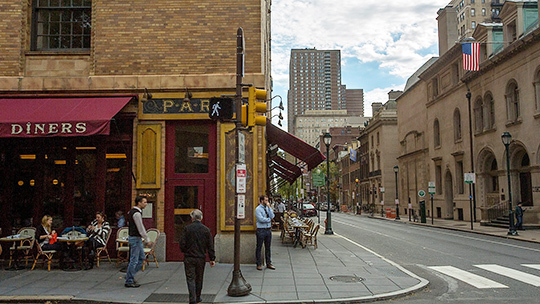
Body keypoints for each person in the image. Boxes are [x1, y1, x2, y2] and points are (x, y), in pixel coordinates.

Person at [179, 209, 216, 304]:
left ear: (192, 218)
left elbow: (182, 244)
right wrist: (212, 258)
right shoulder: (206, 230)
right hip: (200, 257)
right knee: (199, 278)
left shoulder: (187, 228)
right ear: (201, 218)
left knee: (190, 278)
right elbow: (210, 246)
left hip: (189, 257)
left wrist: (185, 250)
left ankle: (192, 298)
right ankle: (198, 296)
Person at [125, 196, 153, 288]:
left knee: (141, 258)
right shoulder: (136, 214)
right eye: (144, 202)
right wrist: (147, 239)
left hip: (136, 238)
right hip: (135, 238)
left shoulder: (132, 212)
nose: (146, 204)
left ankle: (130, 275)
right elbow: (140, 228)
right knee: (134, 259)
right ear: (139, 203)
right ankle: (129, 279)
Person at [255, 194, 275, 270]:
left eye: (267, 200)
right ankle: (258, 264)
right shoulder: (258, 209)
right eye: (266, 200)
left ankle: (269, 263)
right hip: (261, 230)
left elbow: (272, 216)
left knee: (268, 247)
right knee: (259, 247)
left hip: (268, 230)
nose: (267, 202)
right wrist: (269, 220)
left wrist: (269, 207)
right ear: (262, 201)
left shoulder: (267, 208)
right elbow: (261, 219)